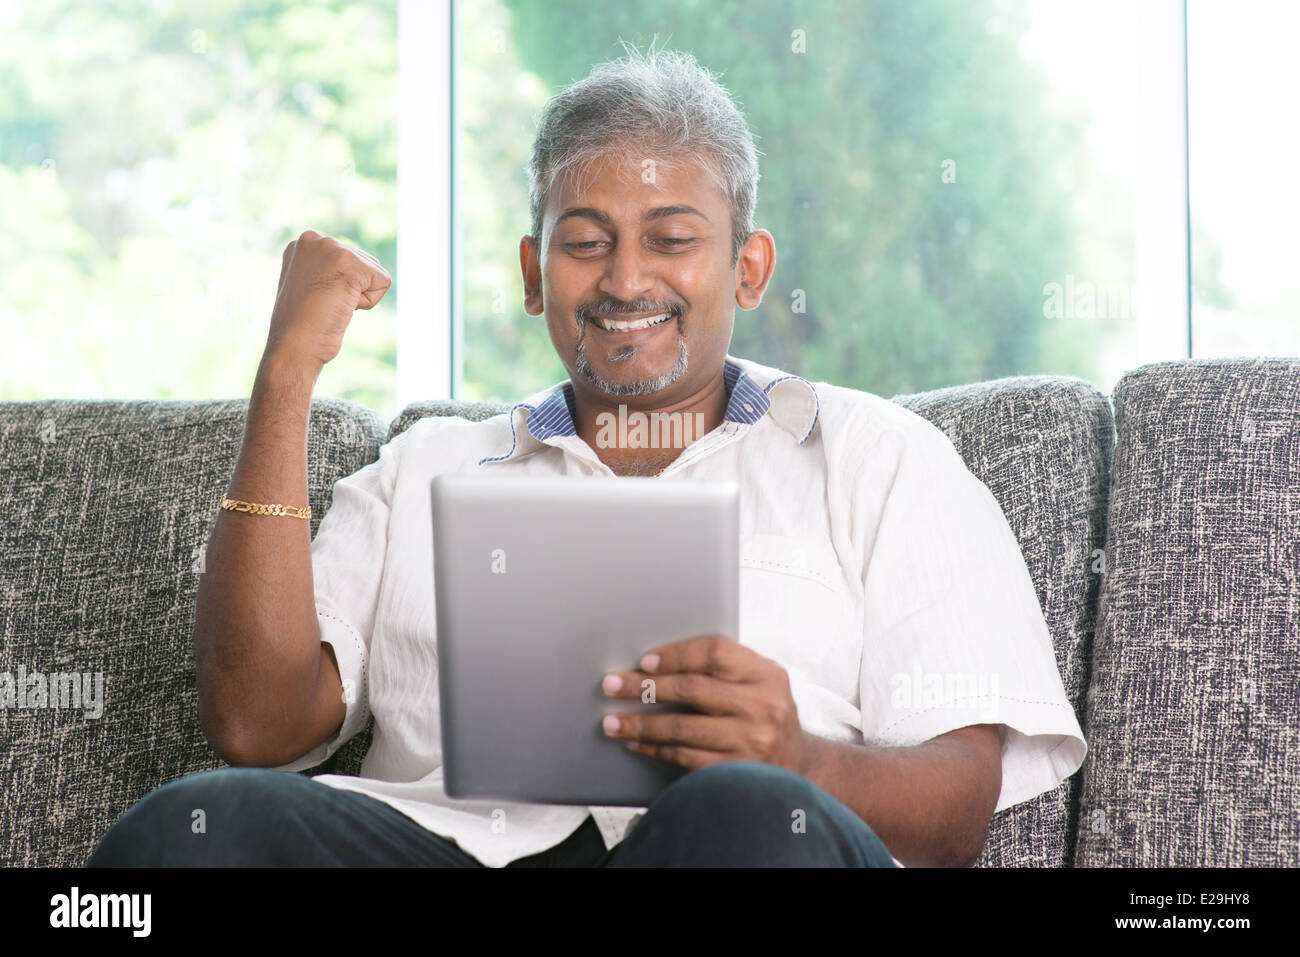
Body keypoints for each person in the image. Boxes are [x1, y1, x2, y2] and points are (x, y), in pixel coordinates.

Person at [87, 44, 1084, 869]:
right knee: (190, 832)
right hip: (450, 852)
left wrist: (801, 761)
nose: (625, 278)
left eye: (671, 237)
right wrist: (286, 375)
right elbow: (259, 729)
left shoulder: (880, 460)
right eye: (585, 241)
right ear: (534, 272)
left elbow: (956, 813)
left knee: (744, 812)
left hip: (728, 849)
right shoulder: (427, 467)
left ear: (748, 266)